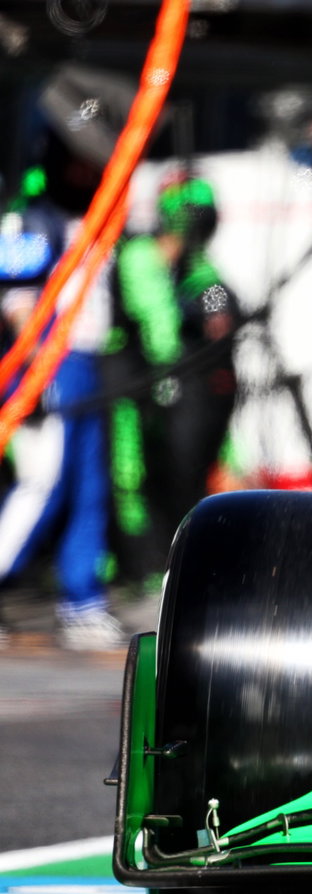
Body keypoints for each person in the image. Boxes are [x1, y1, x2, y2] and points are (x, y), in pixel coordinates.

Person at [0, 141, 124, 651]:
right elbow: (17, 298)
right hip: (48, 360)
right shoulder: (33, 219)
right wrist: (34, 372)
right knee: (42, 484)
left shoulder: (101, 213)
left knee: (90, 487)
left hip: (91, 358)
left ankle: (82, 600)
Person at [103, 173, 239, 582]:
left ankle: (161, 559)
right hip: (126, 379)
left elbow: (217, 302)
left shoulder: (195, 266)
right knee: (128, 473)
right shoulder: (142, 256)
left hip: (165, 385)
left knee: (177, 470)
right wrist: (170, 376)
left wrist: (216, 314)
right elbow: (158, 323)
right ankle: (133, 560)